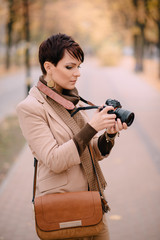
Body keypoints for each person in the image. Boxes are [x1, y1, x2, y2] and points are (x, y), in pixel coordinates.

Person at [16, 33, 127, 240]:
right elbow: (55, 160)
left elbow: (91, 150)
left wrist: (109, 135)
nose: (77, 73)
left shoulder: (73, 100)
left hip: (94, 204)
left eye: (79, 67)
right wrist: (92, 127)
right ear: (48, 67)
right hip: (64, 211)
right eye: (70, 67)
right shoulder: (30, 108)